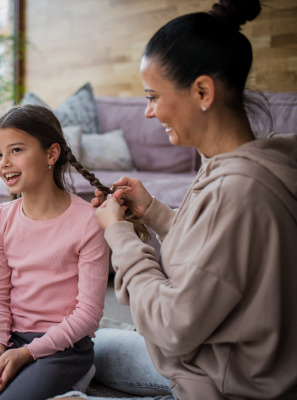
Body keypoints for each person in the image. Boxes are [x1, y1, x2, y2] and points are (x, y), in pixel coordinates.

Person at [55, 0, 297, 399]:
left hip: (226, 384)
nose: (148, 112)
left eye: (153, 96)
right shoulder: (251, 164)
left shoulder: (237, 192)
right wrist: (154, 213)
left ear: (203, 91)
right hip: (221, 360)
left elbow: (171, 325)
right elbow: (219, 253)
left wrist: (119, 234)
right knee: (97, 344)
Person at [0, 105, 148, 400]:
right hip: (10, 340)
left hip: (66, 349)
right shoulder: (1, 218)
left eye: (16, 150)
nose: (4, 163)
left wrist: (27, 354)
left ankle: (78, 378)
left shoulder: (87, 221)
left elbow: (89, 315)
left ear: (51, 154)